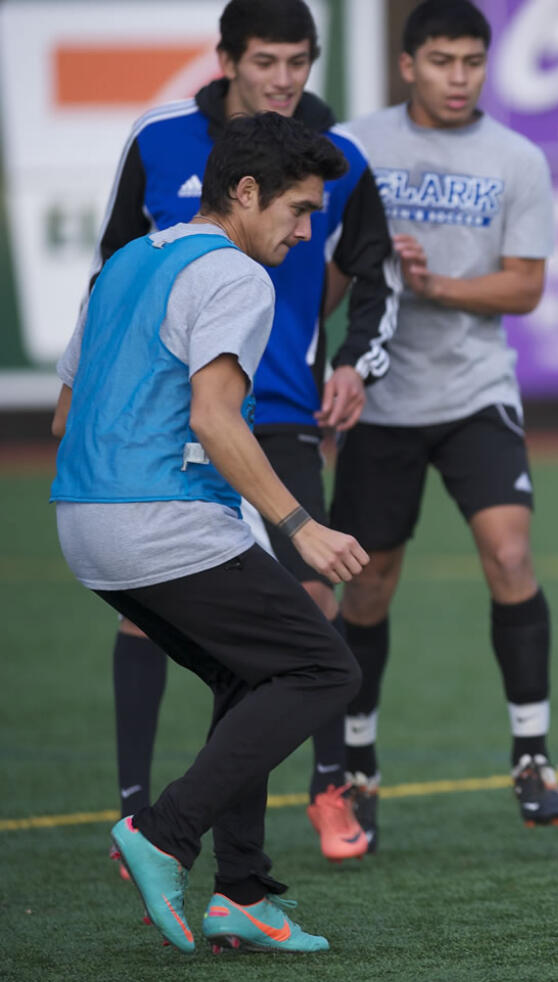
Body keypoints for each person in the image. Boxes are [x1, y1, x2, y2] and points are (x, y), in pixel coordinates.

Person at [51, 111, 366, 953]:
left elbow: (65, 411)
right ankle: (165, 832)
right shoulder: (234, 275)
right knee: (322, 666)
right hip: (159, 519)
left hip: (84, 523)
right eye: (298, 212)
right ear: (246, 191)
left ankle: (244, 894)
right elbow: (218, 421)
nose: (305, 233)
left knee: (249, 675)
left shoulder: (126, 261)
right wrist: (299, 526)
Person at [89, 0, 394, 863]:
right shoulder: (160, 146)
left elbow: (373, 271)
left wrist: (353, 362)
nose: (285, 78)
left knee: (301, 611)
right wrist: (87, 385)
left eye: (301, 61)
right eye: (267, 60)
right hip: (166, 430)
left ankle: (313, 806)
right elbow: (113, 263)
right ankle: (146, 815)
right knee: (189, 619)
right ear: (227, 60)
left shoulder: (338, 156)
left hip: (286, 409)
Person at [328, 0, 558, 843]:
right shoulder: (355, 148)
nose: (458, 77)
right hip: (382, 399)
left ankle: (532, 755)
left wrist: (436, 288)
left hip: (475, 391)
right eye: (442, 61)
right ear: (408, 65)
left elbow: (525, 286)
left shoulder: (517, 159)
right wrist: (339, 342)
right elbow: (321, 265)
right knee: (370, 581)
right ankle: (356, 766)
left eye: (472, 61)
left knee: (509, 552)